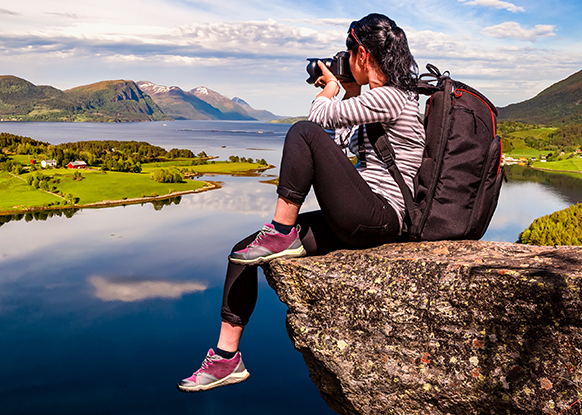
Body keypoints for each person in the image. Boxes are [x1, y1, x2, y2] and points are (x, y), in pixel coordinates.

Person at [177, 13, 426, 393]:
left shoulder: (394, 97)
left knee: (301, 130)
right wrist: (349, 91)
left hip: (382, 216)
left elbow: (317, 121)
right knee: (243, 251)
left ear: (361, 53)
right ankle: (227, 358)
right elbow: (337, 149)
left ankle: (281, 229)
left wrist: (329, 91)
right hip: (361, 214)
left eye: (347, 52)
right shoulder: (376, 101)